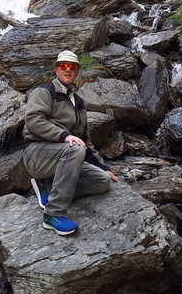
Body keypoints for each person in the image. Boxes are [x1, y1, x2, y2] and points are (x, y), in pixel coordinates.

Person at [22, 50, 119, 235]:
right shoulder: (44, 91)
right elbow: (33, 120)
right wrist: (64, 136)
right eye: (63, 66)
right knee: (74, 149)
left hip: (66, 155)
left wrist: (104, 167)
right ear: (56, 69)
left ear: (77, 71)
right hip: (37, 154)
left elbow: (84, 141)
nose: (67, 70)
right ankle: (53, 213)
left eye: (72, 67)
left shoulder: (79, 102)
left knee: (102, 181)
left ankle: (49, 187)